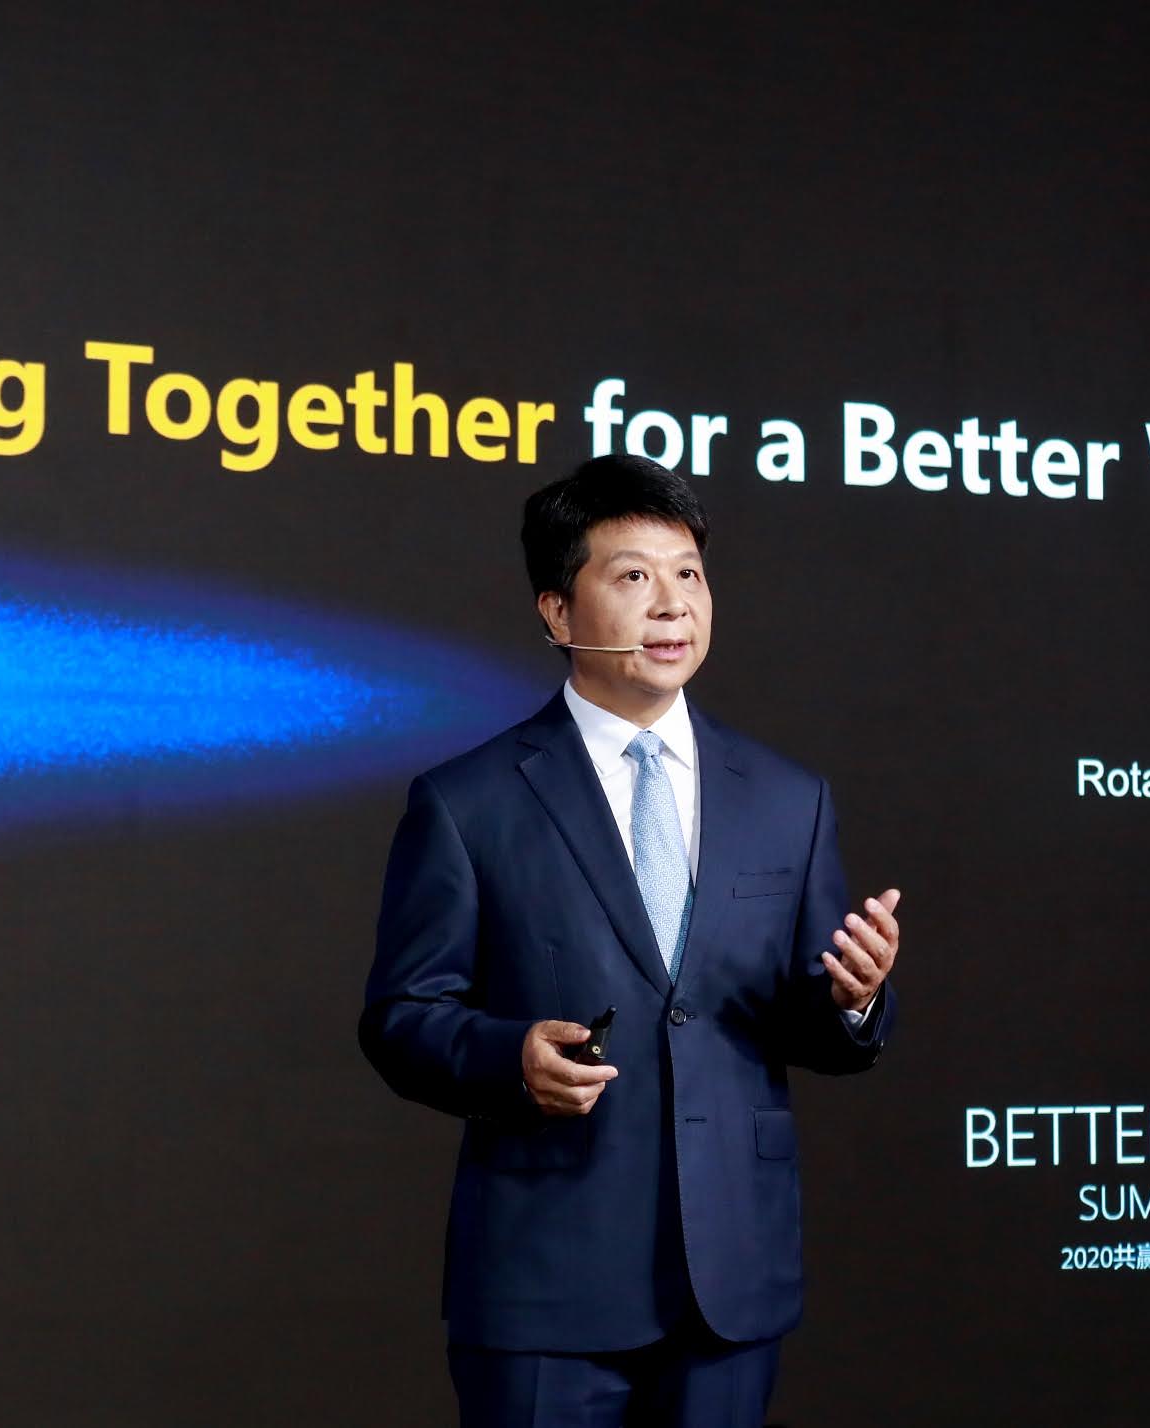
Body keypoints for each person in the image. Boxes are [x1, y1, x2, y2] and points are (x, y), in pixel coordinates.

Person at [359, 453, 901, 1428]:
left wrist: (851, 999)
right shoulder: (468, 802)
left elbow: (799, 1025)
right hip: (546, 1284)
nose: (671, 604)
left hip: (729, 1284)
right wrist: (510, 1059)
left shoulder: (788, 798)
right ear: (558, 611)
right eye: (634, 576)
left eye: (689, 573)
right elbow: (401, 1016)